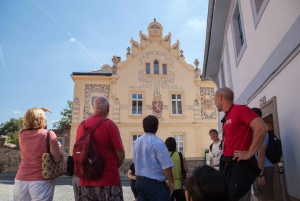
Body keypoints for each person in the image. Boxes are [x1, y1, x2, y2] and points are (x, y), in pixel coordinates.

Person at [214, 87, 268, 201]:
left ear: (220, 98)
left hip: (240, 167)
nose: (214, 102)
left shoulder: (240, 109)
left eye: (215, 98)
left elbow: (262, 128)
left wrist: (249, 153)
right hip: (229, 166)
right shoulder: (226, 116)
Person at [75, 96, 125, 201]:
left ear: (93, 107)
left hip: (86, 179)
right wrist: (115, 166)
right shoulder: (110, 125)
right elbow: (120, 153)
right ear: (108, 108)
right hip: (108, 178)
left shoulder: (82, 125)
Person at [13, 107, 62, 201]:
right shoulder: (49, 134)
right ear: (42, 119)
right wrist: (58, 147)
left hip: (20, 180)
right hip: (41, 181)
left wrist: (36, 113)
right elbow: (57, 159)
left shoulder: (21, 134)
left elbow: (32, 125)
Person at [133, 115, 174, 201]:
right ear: (157, 127)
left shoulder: (136, 142)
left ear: (143, 126)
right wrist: (171, 181)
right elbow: (166, 166)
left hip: (139, 181)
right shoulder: (158, 142)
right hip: (155, 184)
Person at [252, 108, 275, 201]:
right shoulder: (257, 130)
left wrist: (260, 175)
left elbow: (261, 153)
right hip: (260, 169)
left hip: (263, 168)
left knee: (264, 197)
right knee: (261, 196)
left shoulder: (260, 130)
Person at [165, 137, 188, 201]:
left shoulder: (164, 157)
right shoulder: (180, 155)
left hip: (167, 185)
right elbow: (186, 169)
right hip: (179, 186)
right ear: (175, 145)